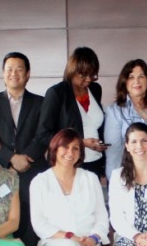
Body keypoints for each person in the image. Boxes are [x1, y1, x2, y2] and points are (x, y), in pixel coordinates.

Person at [0, 52, 46, 246]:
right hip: (0, 170)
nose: (14, 74)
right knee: (3, 219)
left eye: (19, 69)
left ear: (27, 74)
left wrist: (24, 158)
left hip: (32, 170)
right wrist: (10, 158)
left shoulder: (41, 102)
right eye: (9, 69)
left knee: (32, 221)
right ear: (3, 73)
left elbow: (44, 134)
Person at [35, 47, 109, 179]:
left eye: (92, 75)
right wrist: (82, 142)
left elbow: (93, 124)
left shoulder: (95, 89)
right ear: (72, 70)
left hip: (95, 161)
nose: (88, 79)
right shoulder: (56, 93)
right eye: (83, 74)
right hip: (67, 161)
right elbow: (43, 134)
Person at [104, 59, 147, 177]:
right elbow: (113, 154)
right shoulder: (115, 111)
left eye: (141, 76)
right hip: (129, 178)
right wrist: (115, 181)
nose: (137, 81)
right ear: (124, 82)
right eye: (131, 77)